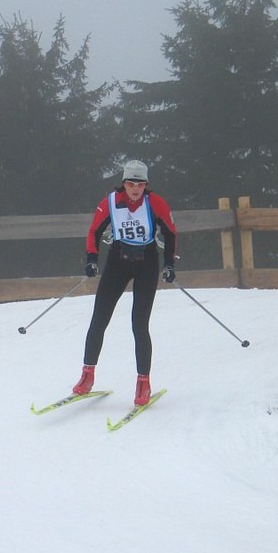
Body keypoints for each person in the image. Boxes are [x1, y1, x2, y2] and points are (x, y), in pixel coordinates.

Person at [72, 159, 178, 405]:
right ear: (124, 184)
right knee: (99, 318)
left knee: (139, 324)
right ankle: (87, 375)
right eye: (131, 184)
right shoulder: (110, 202)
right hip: (118, 261)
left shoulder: (155, 203)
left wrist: (169, 265)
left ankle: (143, 383)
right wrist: (91, 259)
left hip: (146, 263)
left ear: (145, 185)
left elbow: (170, 233)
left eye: (140, 184)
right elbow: (94, 231)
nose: (135, 189)